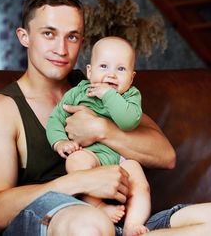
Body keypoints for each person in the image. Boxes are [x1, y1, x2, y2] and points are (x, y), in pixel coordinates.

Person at [0, 0, 211, 236]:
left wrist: (101, 129)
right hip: (60, 221)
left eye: (72, 37)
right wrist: (81, 181)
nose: (61, 48)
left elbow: (165, 155)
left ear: (82, 43)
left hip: (121, 221)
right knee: (90, 225)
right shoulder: (1, 111)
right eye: (48, 34)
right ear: (24, 37)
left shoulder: (101, 87)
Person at [46, 36, 150, 236]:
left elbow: (129, 121)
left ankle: (133, 224)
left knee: (141, 185)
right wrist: (59, 141)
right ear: (90, 71)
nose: (111, 74)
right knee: (75, 162)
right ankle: (98, 206)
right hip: (90, 152)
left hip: (121, 158)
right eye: (104, 66)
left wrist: (108, 95)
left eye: (121, 69)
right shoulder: (78, 92)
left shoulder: (130, 96)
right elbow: (56, 118)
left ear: (132, 77)